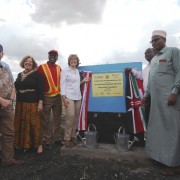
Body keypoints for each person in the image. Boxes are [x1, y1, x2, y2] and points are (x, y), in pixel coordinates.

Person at [143, 30, 180, 176]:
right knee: (158, 129)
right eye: (151, 41)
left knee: (171, 130)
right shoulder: (154, 60)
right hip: (156, 102)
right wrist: (146, 95)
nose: (153, 43)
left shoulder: (173, 52)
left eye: (156, 40)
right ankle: (159, 158)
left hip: (170, 100)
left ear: (164, 39)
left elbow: (179, 73)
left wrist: (174, 92)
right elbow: (151, 80)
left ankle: (175, 164)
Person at [0, 44, 24, 166]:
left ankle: (8, 159)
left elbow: (12, 84)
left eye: (0, 52)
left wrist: (9, 99)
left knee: (9, 132)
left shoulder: (6, 66)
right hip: (1, 102)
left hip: (7, 106)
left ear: (2, 54)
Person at [14, 56, 44, 153]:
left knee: (34, 124)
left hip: (33, 103)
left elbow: (41, 89)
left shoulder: (37, 75)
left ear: (33, 64)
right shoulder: (19, 75)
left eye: (30, 61)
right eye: (26, 61)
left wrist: (40, 102)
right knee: (22, 123)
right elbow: (15, 87)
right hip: (20, 103)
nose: (28, 63)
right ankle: (24, 144)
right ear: (23, 63)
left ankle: (39, 145)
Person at [61, 54, 89, 148]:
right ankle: (67, 138)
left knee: (76, 117)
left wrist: (83, 81)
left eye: (75, 60)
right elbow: (62, 85)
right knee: (70, 116)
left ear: (77, 62)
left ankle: (73, 136)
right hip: (68, 96)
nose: (73, 61)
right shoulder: (65, 71)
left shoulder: (77, 71)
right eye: (72, 59)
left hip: (78, 96)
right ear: (69, 61)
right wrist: (64, 98)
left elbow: (77, 84)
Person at [38, 50, 62, 147]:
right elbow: (37, 81)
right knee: (45, 119)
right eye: (51, 55)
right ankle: (46, 138)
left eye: (55, 55)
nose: (53, 57)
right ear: (48, 56)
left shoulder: (59, 68)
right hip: (46, 97)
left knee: (58, 119)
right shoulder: (41, 67)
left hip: (57, 97)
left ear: (57, 57)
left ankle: (57, 138)